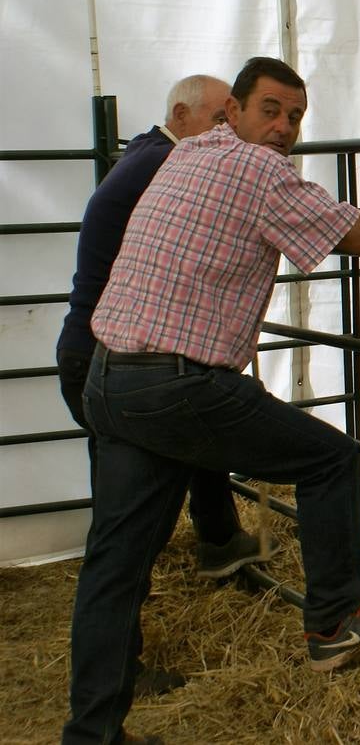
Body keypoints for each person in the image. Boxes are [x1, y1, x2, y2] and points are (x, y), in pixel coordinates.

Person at [63, 57, 360, 745]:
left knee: (114, 566)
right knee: (330, 459)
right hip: (177, 382)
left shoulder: (187, 155)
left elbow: (320, 219)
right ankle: (333, 621)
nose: (283, 128)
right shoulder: (257, 170)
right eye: (270, 109)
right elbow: (353, 235)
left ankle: (91, 734)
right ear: (231, 112)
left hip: (110, 379)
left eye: (295, 116)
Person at [55, 75, 268, 700]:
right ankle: (116, 675)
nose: (227, 132)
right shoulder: (168, 161)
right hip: (118, 356)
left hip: (110, 351)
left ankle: (218, 539)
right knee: (126, 538)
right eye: (220, 118)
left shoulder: (149, 156)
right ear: (182, 114)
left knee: (179, 444)